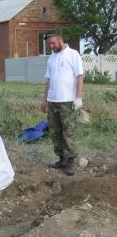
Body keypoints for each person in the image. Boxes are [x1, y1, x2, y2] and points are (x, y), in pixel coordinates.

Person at [40, 30, 83, 176]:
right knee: (55, 131)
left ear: (60, 39)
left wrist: (78, 98)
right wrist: (44, 99)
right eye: (49, 44)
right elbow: (48, 79)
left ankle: (71, 162)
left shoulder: (73, 54)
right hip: (53, 101)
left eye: (53, 43)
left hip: (67, 101)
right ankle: (61, 159)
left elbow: (79, 76)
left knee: (68, 132)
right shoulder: (51, 58)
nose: (51, 46)